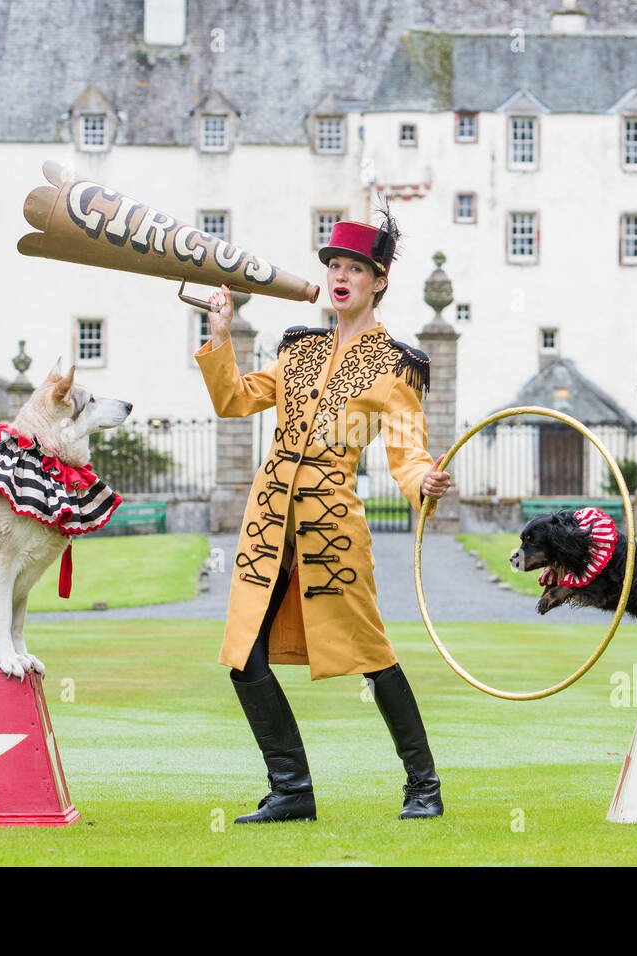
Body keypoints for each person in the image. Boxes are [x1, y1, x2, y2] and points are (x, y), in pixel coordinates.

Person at [194, 214, 452, 822]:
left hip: (332, 531)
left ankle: (424, 787)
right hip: (266, 522)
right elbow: (234, 400)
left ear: (378, 280)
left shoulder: (396, 366)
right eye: (333, 265)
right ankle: (291, 791)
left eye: (354, 268)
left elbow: (408, 454)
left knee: (373, 655)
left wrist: (425, 482)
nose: (339, 276)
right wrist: (220, 333)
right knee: (244, 656)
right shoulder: (298, 350)